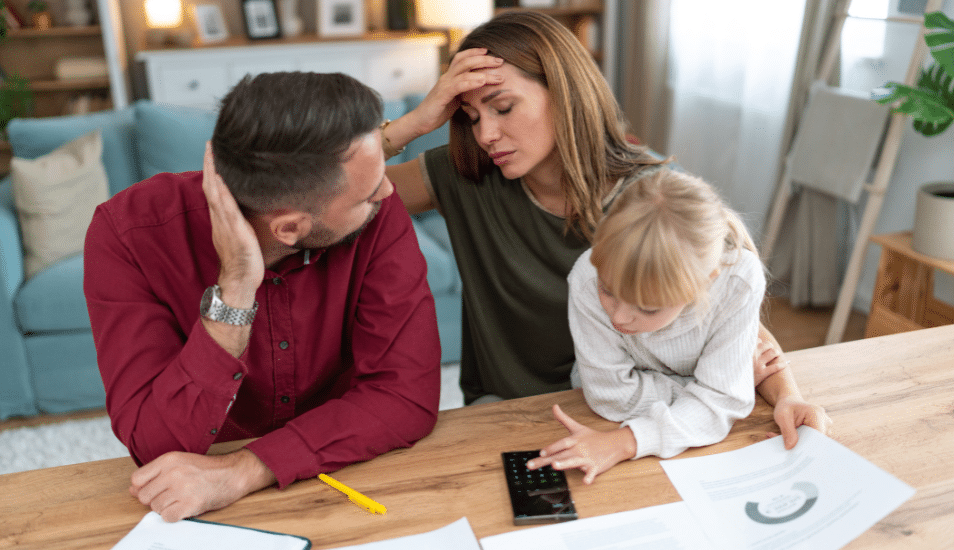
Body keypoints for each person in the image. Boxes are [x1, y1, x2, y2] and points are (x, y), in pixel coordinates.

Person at [382, 11, 830, 444]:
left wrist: (787, 395)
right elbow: (333, 197)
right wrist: (411, 124)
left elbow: (733, 306)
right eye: (473, 118)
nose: (486, 135)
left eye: (503, 108)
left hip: (633, 415)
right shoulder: (464, 176)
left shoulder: (651, 195)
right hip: (509, 409)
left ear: (563, 91)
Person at [83, 72, 441, 522]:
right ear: (289, 228)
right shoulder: (127, 234)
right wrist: (234, 290)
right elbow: (157, 445)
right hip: (200, 506)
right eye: (367, 197)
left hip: (348, 472)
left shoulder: (378, 211)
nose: (388, 192)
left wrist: (243, 470)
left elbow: (406, 395)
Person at [528, 168, 767, 484]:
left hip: (640, 437)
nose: (618, 318)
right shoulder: (587, 276)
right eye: (608, 291)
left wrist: (626, 442)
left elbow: (721, 402)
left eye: (649, 308)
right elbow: (610, 398)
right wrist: (707, 390)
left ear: (705, 281)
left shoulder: (738, 281)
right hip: (601, 418)